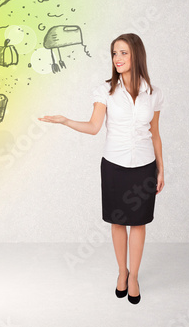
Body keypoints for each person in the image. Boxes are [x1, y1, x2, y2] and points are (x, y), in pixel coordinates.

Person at [39, 33, 164, 305]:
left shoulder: (152, 93)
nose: (117, 59)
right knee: (117, 221)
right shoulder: (105, 91)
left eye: (123, 53)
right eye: (114, 54)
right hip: (114, 166)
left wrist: (161, 169)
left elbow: (155, 133)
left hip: (144, 167)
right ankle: (122, 272)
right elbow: (94, 127)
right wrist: (65, 121)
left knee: (139, 222)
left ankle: (134, 277)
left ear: (136, 56)